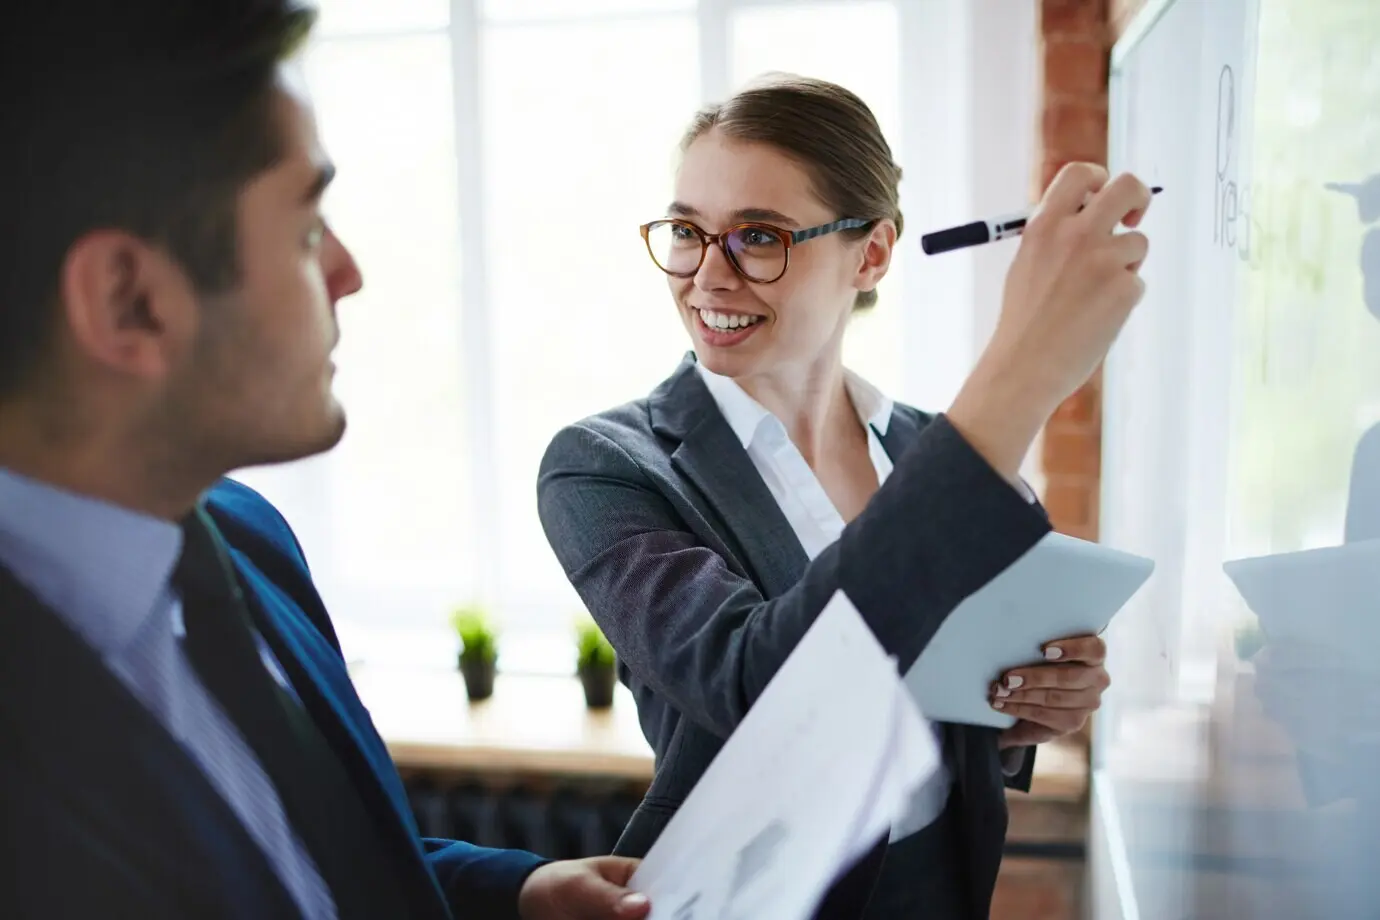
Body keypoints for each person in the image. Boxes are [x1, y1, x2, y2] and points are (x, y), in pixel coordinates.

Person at [0, 2, 650, 918]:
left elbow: (300, 856)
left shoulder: (246, 539)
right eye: (307, 230)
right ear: (128, 301)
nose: (348, 270)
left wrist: (517, 895)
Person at [537, 74, 1148, 919]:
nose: (707, 276)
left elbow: (954, 693)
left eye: (758, 236)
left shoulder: (932, 451)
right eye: (687, 231)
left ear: (871, 253)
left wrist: (1026, 706)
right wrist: (1017, 381)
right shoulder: (607, 466)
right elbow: (755, 689)